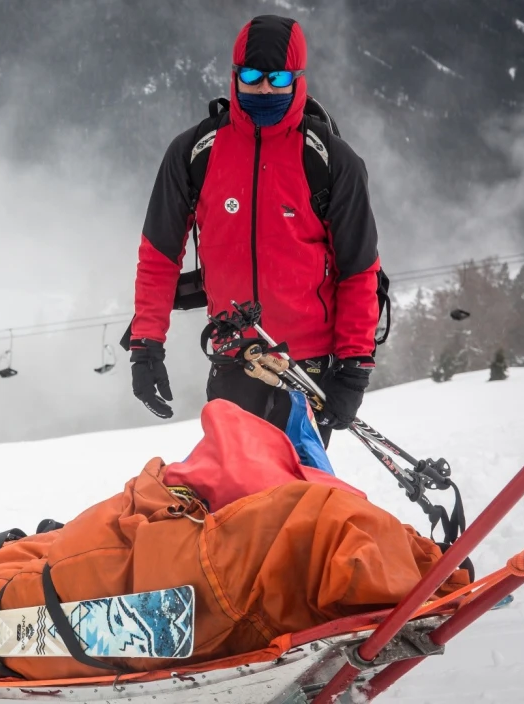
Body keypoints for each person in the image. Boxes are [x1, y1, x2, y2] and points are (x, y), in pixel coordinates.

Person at [129, 15, 381, 445]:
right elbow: (159, 254)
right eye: (251, 76)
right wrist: (145, 346)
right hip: (233, 357)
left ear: (297, 80)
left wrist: (354, 367)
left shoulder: (331, 160)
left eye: (278, 78)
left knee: (296, 499)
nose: (264, 89)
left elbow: (359, 270)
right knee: (235, 498)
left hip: (308, 367)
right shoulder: (195, 152)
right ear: (234, 77)